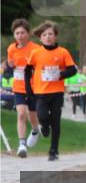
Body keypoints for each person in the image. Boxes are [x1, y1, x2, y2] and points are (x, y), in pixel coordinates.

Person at [25, 21, 77, 161]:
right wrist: (28, 90)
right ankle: (44, 127)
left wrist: (61, 74)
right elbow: (27, 71)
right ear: (40, 38)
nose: (47, 37)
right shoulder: (36, 53)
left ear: (55, 36)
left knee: (56, 121)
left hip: (57, 92)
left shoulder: (63, 52)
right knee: (42, 116)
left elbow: (73, 70)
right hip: (40, 92)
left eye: (50, 34)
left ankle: (53, 151)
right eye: (44, 35)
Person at [6, 18, 41, 157]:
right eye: (17, 33)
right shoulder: (11, 48)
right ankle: (22, 145)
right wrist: (10, 65)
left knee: (32, 116)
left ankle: (35, 130)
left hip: (33, 88)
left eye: (22, 33)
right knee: (21, 114)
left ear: (28, 33)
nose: (20, 36)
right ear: (14, 35)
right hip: (19, 87)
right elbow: (10, 64)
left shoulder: (36, 49)